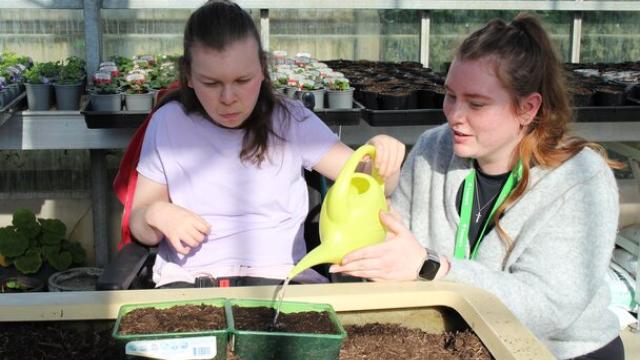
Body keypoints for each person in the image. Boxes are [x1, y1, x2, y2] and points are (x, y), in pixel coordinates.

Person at [330, 13, 624, 360]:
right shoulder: (433, 149)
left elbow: (549, 308)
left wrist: (432, 268)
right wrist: (374, 187)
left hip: (554, 351)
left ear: (528, 108)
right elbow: (396, 247)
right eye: (451, 95)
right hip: (457, 341)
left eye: (477, 103)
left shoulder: (580, 180)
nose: (455, 115)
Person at [129, 0, 405, 288]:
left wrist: (383, 156)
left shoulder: (291, 121)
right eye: (211, 83)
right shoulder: (168, 123)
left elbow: (373, 184)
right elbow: (140, 225)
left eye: (242, 80)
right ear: (187, 74)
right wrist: (156, 213)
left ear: (262, 69)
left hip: (279, 280)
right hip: (190, 281)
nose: (228, 98)